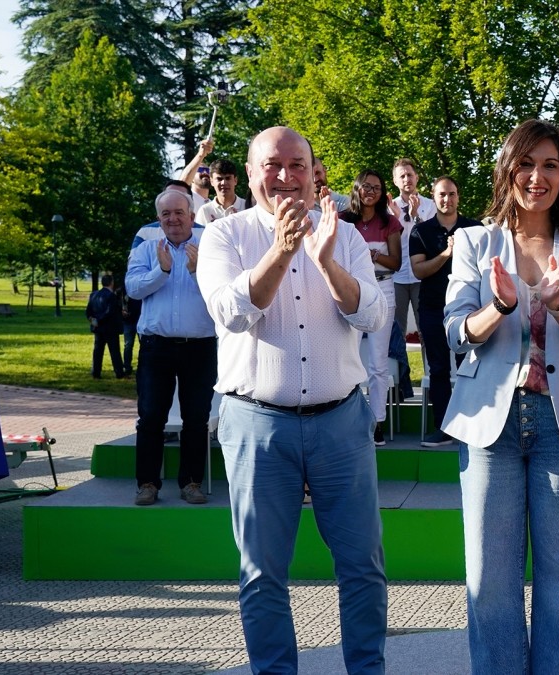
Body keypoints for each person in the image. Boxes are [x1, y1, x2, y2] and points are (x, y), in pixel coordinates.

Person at [198, 126, 388, 674]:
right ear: (250, 173)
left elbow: (372, 315)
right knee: (262, 573)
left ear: (314, 171)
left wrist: (326, 262)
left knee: (363, 567)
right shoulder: (225, 236)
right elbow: (232, 313)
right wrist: (282, 252)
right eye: (272, 165)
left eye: (297, 165)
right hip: (257, 424)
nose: (285, 176)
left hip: (341, 423)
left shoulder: (344, 236)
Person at [441, 119, 559, 673]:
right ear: (507, 170)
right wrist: (503, 308)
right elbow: (454, 331)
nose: (538, 177)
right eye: (526, 164)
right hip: (491, 421)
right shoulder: (472, 241)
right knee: (490, 578)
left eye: (551, 166)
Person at [125, 190, 217, 506]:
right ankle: (147, 484)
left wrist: (198, 271)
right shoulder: (147, 250)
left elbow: (223, 294)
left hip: (200, 347)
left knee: (196, 417)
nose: (173, 219)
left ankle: (191, 483)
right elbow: (133, 290)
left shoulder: (209, 248)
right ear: (158, 218)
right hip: (156, 348)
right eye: (166, 214)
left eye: (179, 212)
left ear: (191, 215)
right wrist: (161, 271)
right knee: (151, 417)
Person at [409, 176, 481, 447]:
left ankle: (472, 426)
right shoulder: (421, 232)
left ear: (458, 196)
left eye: (451, 194)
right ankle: (445, 427)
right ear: (433, 196)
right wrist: (445, 255)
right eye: (441, 194)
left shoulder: (474, 228)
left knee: (470, 368)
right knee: (438, 369)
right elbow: (419, 270)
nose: (446, 199)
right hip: (432, 308)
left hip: (469, 310)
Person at [340, 170, 401, 446]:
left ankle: (377, 421)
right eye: (366, 186)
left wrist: (373, 254)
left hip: (382, 289)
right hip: (351, 290)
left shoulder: (390, 222)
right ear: (357, 188)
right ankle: (347, 419)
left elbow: (396, 263)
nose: (371, 191)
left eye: (377, 187)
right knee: (345, 357)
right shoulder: (343, 221)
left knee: (378, 364)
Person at [390, 158, 437, 343]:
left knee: (426, 327)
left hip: (422, 276)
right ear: (395, 181)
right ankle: (400, 373)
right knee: (397, 331)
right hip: (397, 276)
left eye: (410, 175)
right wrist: (395, 218)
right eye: (402, 176)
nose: (406, 179)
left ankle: (430, 372)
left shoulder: (430, 205)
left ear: (416, 178)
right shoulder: (389, 207)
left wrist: (416, 215)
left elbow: (432, 238)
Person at [85, 274, 126, 379]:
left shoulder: (94, 295)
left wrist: (94, 321)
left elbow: (88, 311)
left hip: (98, 328)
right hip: (110, 327)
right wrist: (100, 319)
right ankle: (119, 372)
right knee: (114, 351)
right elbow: (109, 312)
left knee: (98, 350)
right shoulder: (111, 296)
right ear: (111, 283)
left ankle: (96, 372)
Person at [195, 158, 246, 225]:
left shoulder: (247, 206)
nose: (224, 183)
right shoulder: (205, 211)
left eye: (228, 178)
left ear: (235, 180)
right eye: (219, 179)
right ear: (212, 181)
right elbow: (200, 235)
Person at [177, 137, 214, 212]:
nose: (205, 172)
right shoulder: (186, 198)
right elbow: (181, 185)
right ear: (192, 178)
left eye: (207, 170)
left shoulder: (214, 205)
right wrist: (201, 154)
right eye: (200, 170)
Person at [119, 287, 141, 376]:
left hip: (139, 320)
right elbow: (120, 302)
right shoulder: (125, 288)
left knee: (140, 345)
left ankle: (141, 366)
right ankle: (127, 367)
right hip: (129, 320)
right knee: (128, 345)